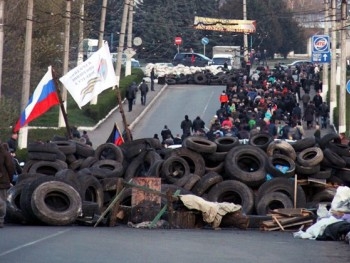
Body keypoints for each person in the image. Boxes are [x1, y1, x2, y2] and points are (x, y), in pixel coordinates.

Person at [0, 143, 15, 228]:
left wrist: (9, 178)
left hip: (2, 181)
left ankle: (0, 220)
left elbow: (10, 167)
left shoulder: (4, 153)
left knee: (1, 202)